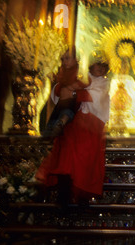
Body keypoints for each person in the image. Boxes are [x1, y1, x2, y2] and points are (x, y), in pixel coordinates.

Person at [36, 61, 110, 208]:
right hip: (74, 125)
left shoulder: (103, 83)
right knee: (66, 157)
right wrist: (63, 89)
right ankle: (64, 195)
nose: (100, 68)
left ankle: (82, 197)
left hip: (91, 127)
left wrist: (74, 93)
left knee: (84, 161)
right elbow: (60, 91)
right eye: (97, 64)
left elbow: (95, 98)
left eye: (103, 66)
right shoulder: (82, 77)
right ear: (90, 66)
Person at [43, 49, 89, 138]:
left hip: (74, 105)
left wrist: (72, 89)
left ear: (76, 59)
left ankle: (61, 122)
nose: (64, 62)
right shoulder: (62, 72)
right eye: (62, 59)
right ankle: (53, 127)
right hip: (61, 103)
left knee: (67, 110)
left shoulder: (80, 72)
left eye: (67, 58)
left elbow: (84, 84)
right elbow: (59, 89)